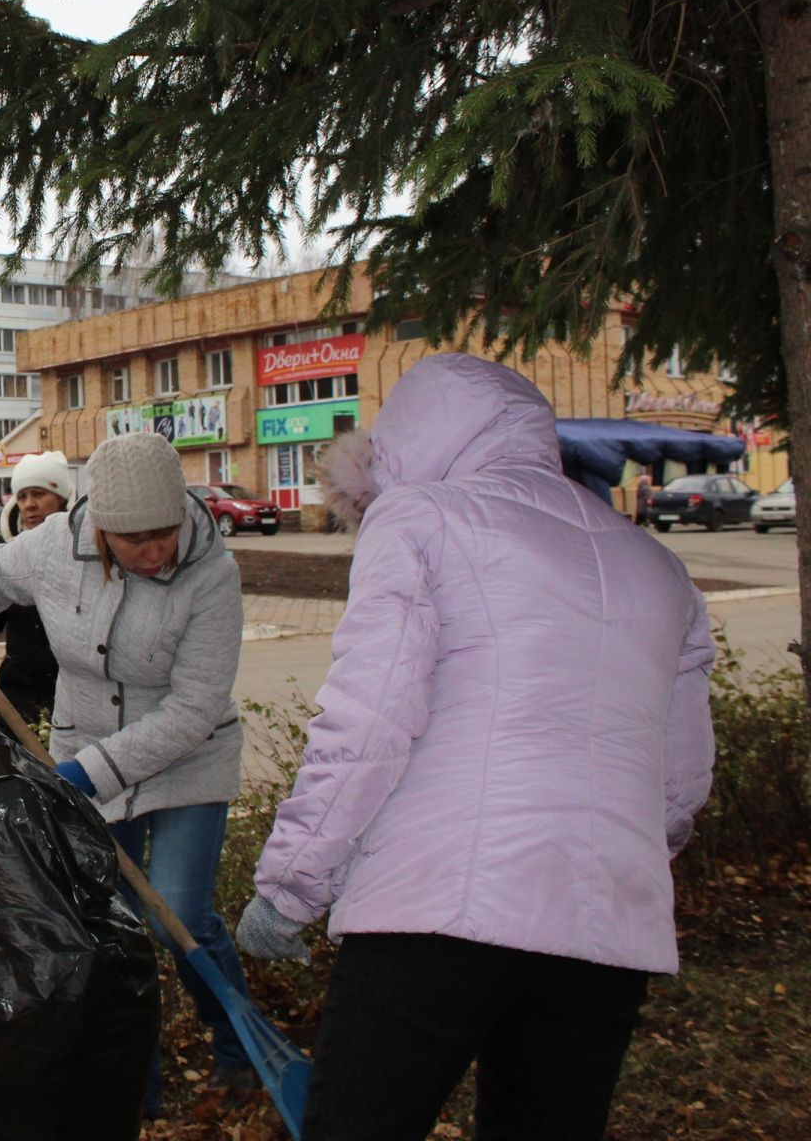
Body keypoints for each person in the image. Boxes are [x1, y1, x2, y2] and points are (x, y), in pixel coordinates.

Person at [235, 354, 715, 1141]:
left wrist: (291, 885)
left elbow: (369, 719)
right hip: (604, 933)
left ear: (410, 437)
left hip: (436, 915)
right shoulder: (658, 565)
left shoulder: (421, 518)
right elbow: (680, 778)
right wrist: (617, 862)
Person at [0, 432, 255, 1117]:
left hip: (185, 762)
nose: (155, 551)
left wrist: (89, 772)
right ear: (102, 528)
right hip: (89, 757)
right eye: (135, 539)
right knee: (110, 931)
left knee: (177, 917)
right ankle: (137, 1082)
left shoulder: (211, 575)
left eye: (164, 533)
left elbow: (194, 708)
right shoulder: (56, 547)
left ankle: (238, 1048)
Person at [0, 450, 74, 728]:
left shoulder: (84, 555)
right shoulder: (7, 552)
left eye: (39, 494)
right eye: (22, 496)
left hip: (73, 698)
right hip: (20, 701)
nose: (29, 505)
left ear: (62, 500)